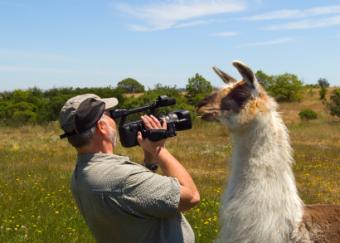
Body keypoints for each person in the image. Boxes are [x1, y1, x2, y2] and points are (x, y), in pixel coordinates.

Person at [59, 93, 200, 243]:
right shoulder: (120, 178)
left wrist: (149, 159)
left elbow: (134, 199)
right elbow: (191, 196)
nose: (114, 121)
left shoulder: (80, 174)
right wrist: (159, 149)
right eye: (110, 115)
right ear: (102, 127)